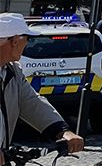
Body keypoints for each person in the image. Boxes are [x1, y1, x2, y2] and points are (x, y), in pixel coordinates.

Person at [0, 14, 85, 158]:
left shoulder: (12, 71)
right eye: (28, 39)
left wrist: (62, 131)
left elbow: (32, 102)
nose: (27, 44)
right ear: (15, 40)